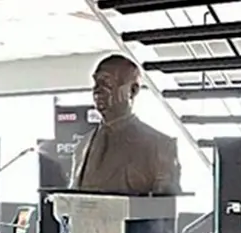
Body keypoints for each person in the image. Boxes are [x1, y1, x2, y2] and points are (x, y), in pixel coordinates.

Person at [70, 54, 181, 194]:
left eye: (107, 83)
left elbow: (165, 205)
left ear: (133, 90)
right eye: (96, 83)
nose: (97, 91)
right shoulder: (83, 145)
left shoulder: (160, 147)